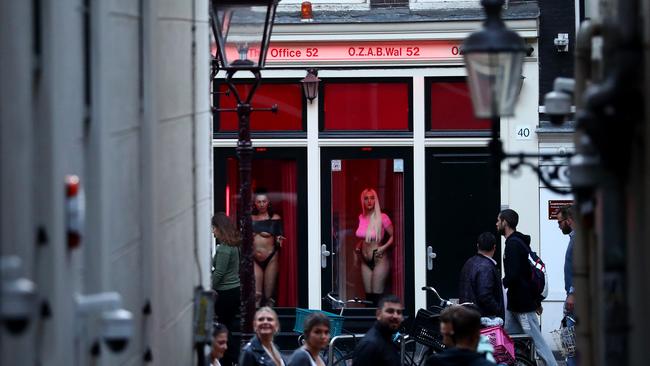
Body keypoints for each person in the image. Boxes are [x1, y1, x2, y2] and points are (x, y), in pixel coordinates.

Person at [498, 209, 558, 366]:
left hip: (522, 305)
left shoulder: (513, 245)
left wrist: (500, 284)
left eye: (499, 220)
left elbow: (515, 275)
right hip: (516, 304)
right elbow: (525, 274)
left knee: (537, 342)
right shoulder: (517, 243)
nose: (497, 223)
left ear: (505, 222)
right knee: (508, 338)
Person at [354, 188, 395, 305]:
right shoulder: (361, 217)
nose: (369, 201)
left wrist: (383, 248)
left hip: (379, 258)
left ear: (376, 200)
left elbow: (394, 236)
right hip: (364, 259)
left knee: (377, 297)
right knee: (368, 297)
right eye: (366, 198)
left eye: (372, 198)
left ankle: (379, 321)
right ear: (362, 201)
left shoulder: (383, 217)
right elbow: (364, 237)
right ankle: (367, 323)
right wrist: (358, 246)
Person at [211, 213, 241, 366]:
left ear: (219, 228)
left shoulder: (223, 248)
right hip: (235, 291)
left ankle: (226, 359)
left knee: (223, 328)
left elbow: (219, 273)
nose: (213, 232)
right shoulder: (234, 246)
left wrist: (211, 288)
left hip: (225, 293)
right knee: (230, 327)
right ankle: (232, 359)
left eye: (214, 228)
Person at [426, 306, 494, 366]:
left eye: (445, 335)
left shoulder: (435, 362)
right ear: (476, 336)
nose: (444, 340)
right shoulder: (487, 363)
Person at [458, 232, 505, 319]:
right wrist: (498, 309)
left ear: (477, 245)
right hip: (482, 318)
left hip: (467, 316)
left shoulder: (469, 262)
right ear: (494, 247)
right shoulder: (487, 267)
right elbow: (485, 295)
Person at [252, 189, 286, 307]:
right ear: (255, 203)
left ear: (268, 202)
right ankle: (255, 322)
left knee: (268, 296)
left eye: (264, 201)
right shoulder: (250, 218)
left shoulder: (275, 218)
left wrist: (279, 240)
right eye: (259, 202)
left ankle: (270, 321)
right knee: (256, 294)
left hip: (270, 257)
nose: (261, 204)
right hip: (254, 258)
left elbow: (280, 236)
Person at [352, 294, 403, 366]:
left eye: (399, 312)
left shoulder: (386, 339)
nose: (395, 316)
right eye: (390, 311)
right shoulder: (370, 345)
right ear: (378, 314)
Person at [557, 205, 576, 366]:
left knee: (571, 344)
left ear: (569, 221)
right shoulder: (574, 239)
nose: (559, 226)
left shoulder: (577, 241)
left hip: (574, 300)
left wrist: (572, 293)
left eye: (560, 222)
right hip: (573, 298)